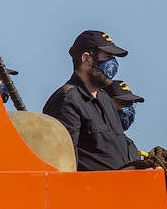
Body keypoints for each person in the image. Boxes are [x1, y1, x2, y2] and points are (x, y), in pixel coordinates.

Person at [42, 29, 134, 171]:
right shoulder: (67, 100)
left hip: (123, 189)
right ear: (86, 58)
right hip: (91, 191)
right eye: (107, 56)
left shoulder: (105, 99)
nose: (113, 64)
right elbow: (64, 163)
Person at [105, 80, 145, 157]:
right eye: (122, 103)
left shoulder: (131, 147)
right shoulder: (93, 141)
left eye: (130, 104)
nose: (127, 108)